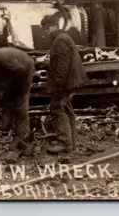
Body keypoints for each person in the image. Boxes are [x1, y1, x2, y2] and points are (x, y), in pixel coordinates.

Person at [40, 12, 89, 154]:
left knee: (57, 108)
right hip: (68, 81)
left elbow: (62, 67)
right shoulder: (62, 38)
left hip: (63, 82)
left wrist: (58, 88)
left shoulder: (60, 40)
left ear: (55, 26)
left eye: (47, 28)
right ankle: (71, 142)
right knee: (67, 110)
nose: (46, 32)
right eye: (44, 29)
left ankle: (65, 143)